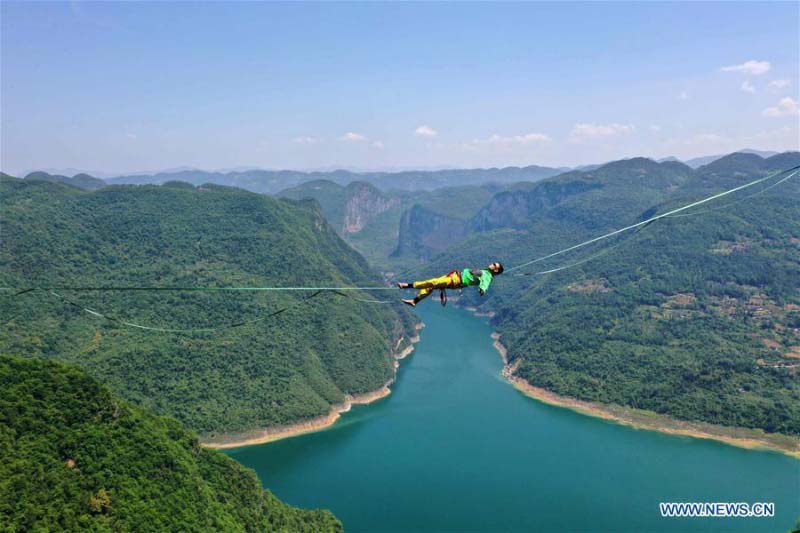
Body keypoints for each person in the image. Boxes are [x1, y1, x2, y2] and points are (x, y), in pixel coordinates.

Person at [396, 262, 504, 307]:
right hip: (454, 276)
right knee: (430, 287)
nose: (492, 263)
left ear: (495, 270)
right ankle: (415, 301)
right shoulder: (486, 272)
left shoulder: (488, 276)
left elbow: (485, 284)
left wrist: (482, 290)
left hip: (456, 281)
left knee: (433, 282)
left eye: (495, 265)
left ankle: (407, 285)